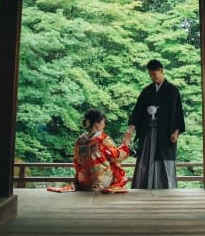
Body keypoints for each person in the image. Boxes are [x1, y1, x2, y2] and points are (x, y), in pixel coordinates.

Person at [124, 59, 185, 189]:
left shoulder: (172, 90)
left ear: (161, 71)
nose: (152, 77)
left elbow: (178, 113)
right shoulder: (146, 91)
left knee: (164, 160)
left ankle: (165, 189)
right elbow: (138, 111)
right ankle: (143, 188)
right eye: (150, 75)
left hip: (165, 133)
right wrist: (130, 130)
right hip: (148, 132)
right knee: (145, 159)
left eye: (154, 75)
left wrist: (176, 132)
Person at [66, 108, 131, 193]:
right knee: (114, 165)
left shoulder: (80, 140)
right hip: (100, 183)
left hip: (83, 182)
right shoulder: (103, 139)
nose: (104, 125)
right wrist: (125, 145)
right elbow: (117, 156)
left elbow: (76, 161)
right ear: (96, 123)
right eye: (103, 122)